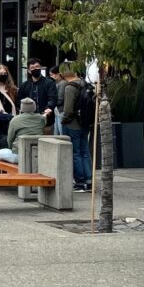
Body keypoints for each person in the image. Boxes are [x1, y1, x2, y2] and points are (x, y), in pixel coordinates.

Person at [61, 63, 93, 192]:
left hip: (73, 124)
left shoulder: (70, 87)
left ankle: (80, 181)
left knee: (75, 153)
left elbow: (68, 110)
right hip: (85, 123)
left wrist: (63, 120)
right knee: (85, 151)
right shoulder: (85, 84)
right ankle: (89, 180)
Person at [0, 98, 47, 164]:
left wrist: (11, 148)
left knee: (0, 152)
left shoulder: (15, 120)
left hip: (20, 156)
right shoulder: (42, 119)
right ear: (34, 107)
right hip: (36, 154)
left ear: (21, 108)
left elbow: (10, 140)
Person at [17, 58, 58, 130]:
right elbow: (19, 100)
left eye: (37, 66)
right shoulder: (24, 85)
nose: (35, 69)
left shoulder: (49, 83)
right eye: (32, 68)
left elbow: (53, 98)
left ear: (41, 68)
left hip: (46, 119)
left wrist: (49, 108)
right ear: (29, 71)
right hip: (29, 120)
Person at [49, 65, 66, 135]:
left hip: (61, 110)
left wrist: (52, 104)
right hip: (57, 110)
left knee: (60, 131)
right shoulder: (57, 83)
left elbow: (60, 99)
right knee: (56, 131)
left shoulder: (63, 83)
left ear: (58, 74)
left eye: (52, 74)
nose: (51, 76)